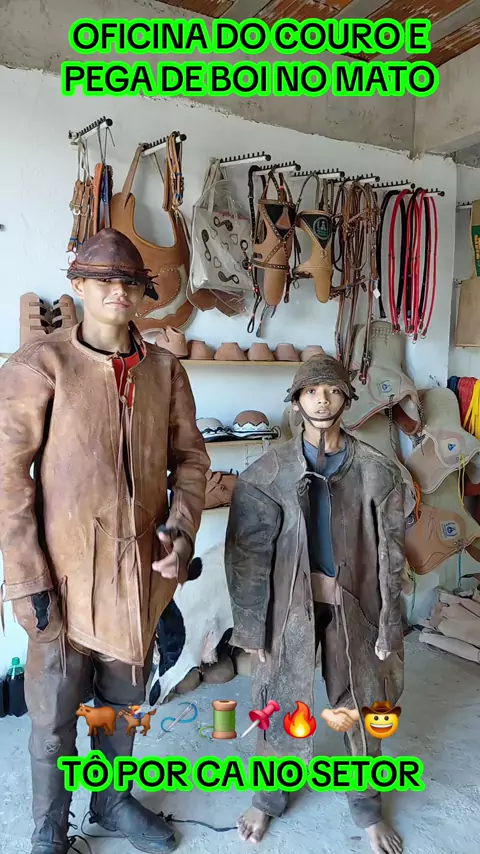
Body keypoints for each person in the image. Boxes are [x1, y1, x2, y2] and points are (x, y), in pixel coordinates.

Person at [0, 228, 210, 854]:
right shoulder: (41, 365)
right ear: (79, 285)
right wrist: (27, 575)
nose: (118, 291)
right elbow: (8, 476)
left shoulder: (164, 370)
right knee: (54, 714)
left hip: (137, 575)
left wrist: (182, 528)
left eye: (130, 282)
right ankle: (49, 827)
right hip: (61, 577)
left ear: (143, 293)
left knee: (122, 703)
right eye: (104, 280)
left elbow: (191, 461)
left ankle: (112, 801)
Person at [225, 354, 405, 854]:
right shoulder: (266, 474)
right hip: (289, 608)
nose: (321, 400)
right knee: (280, 700)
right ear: (297, 401)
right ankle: (268, 797)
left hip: (355, 604)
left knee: (363, 702)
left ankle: (366, 806)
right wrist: (252, 628)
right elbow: (247, 556)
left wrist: (389, 624)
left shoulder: (378, 472)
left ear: (347, 399)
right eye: (310, 391)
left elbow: (391, 556)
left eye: (331, 390)